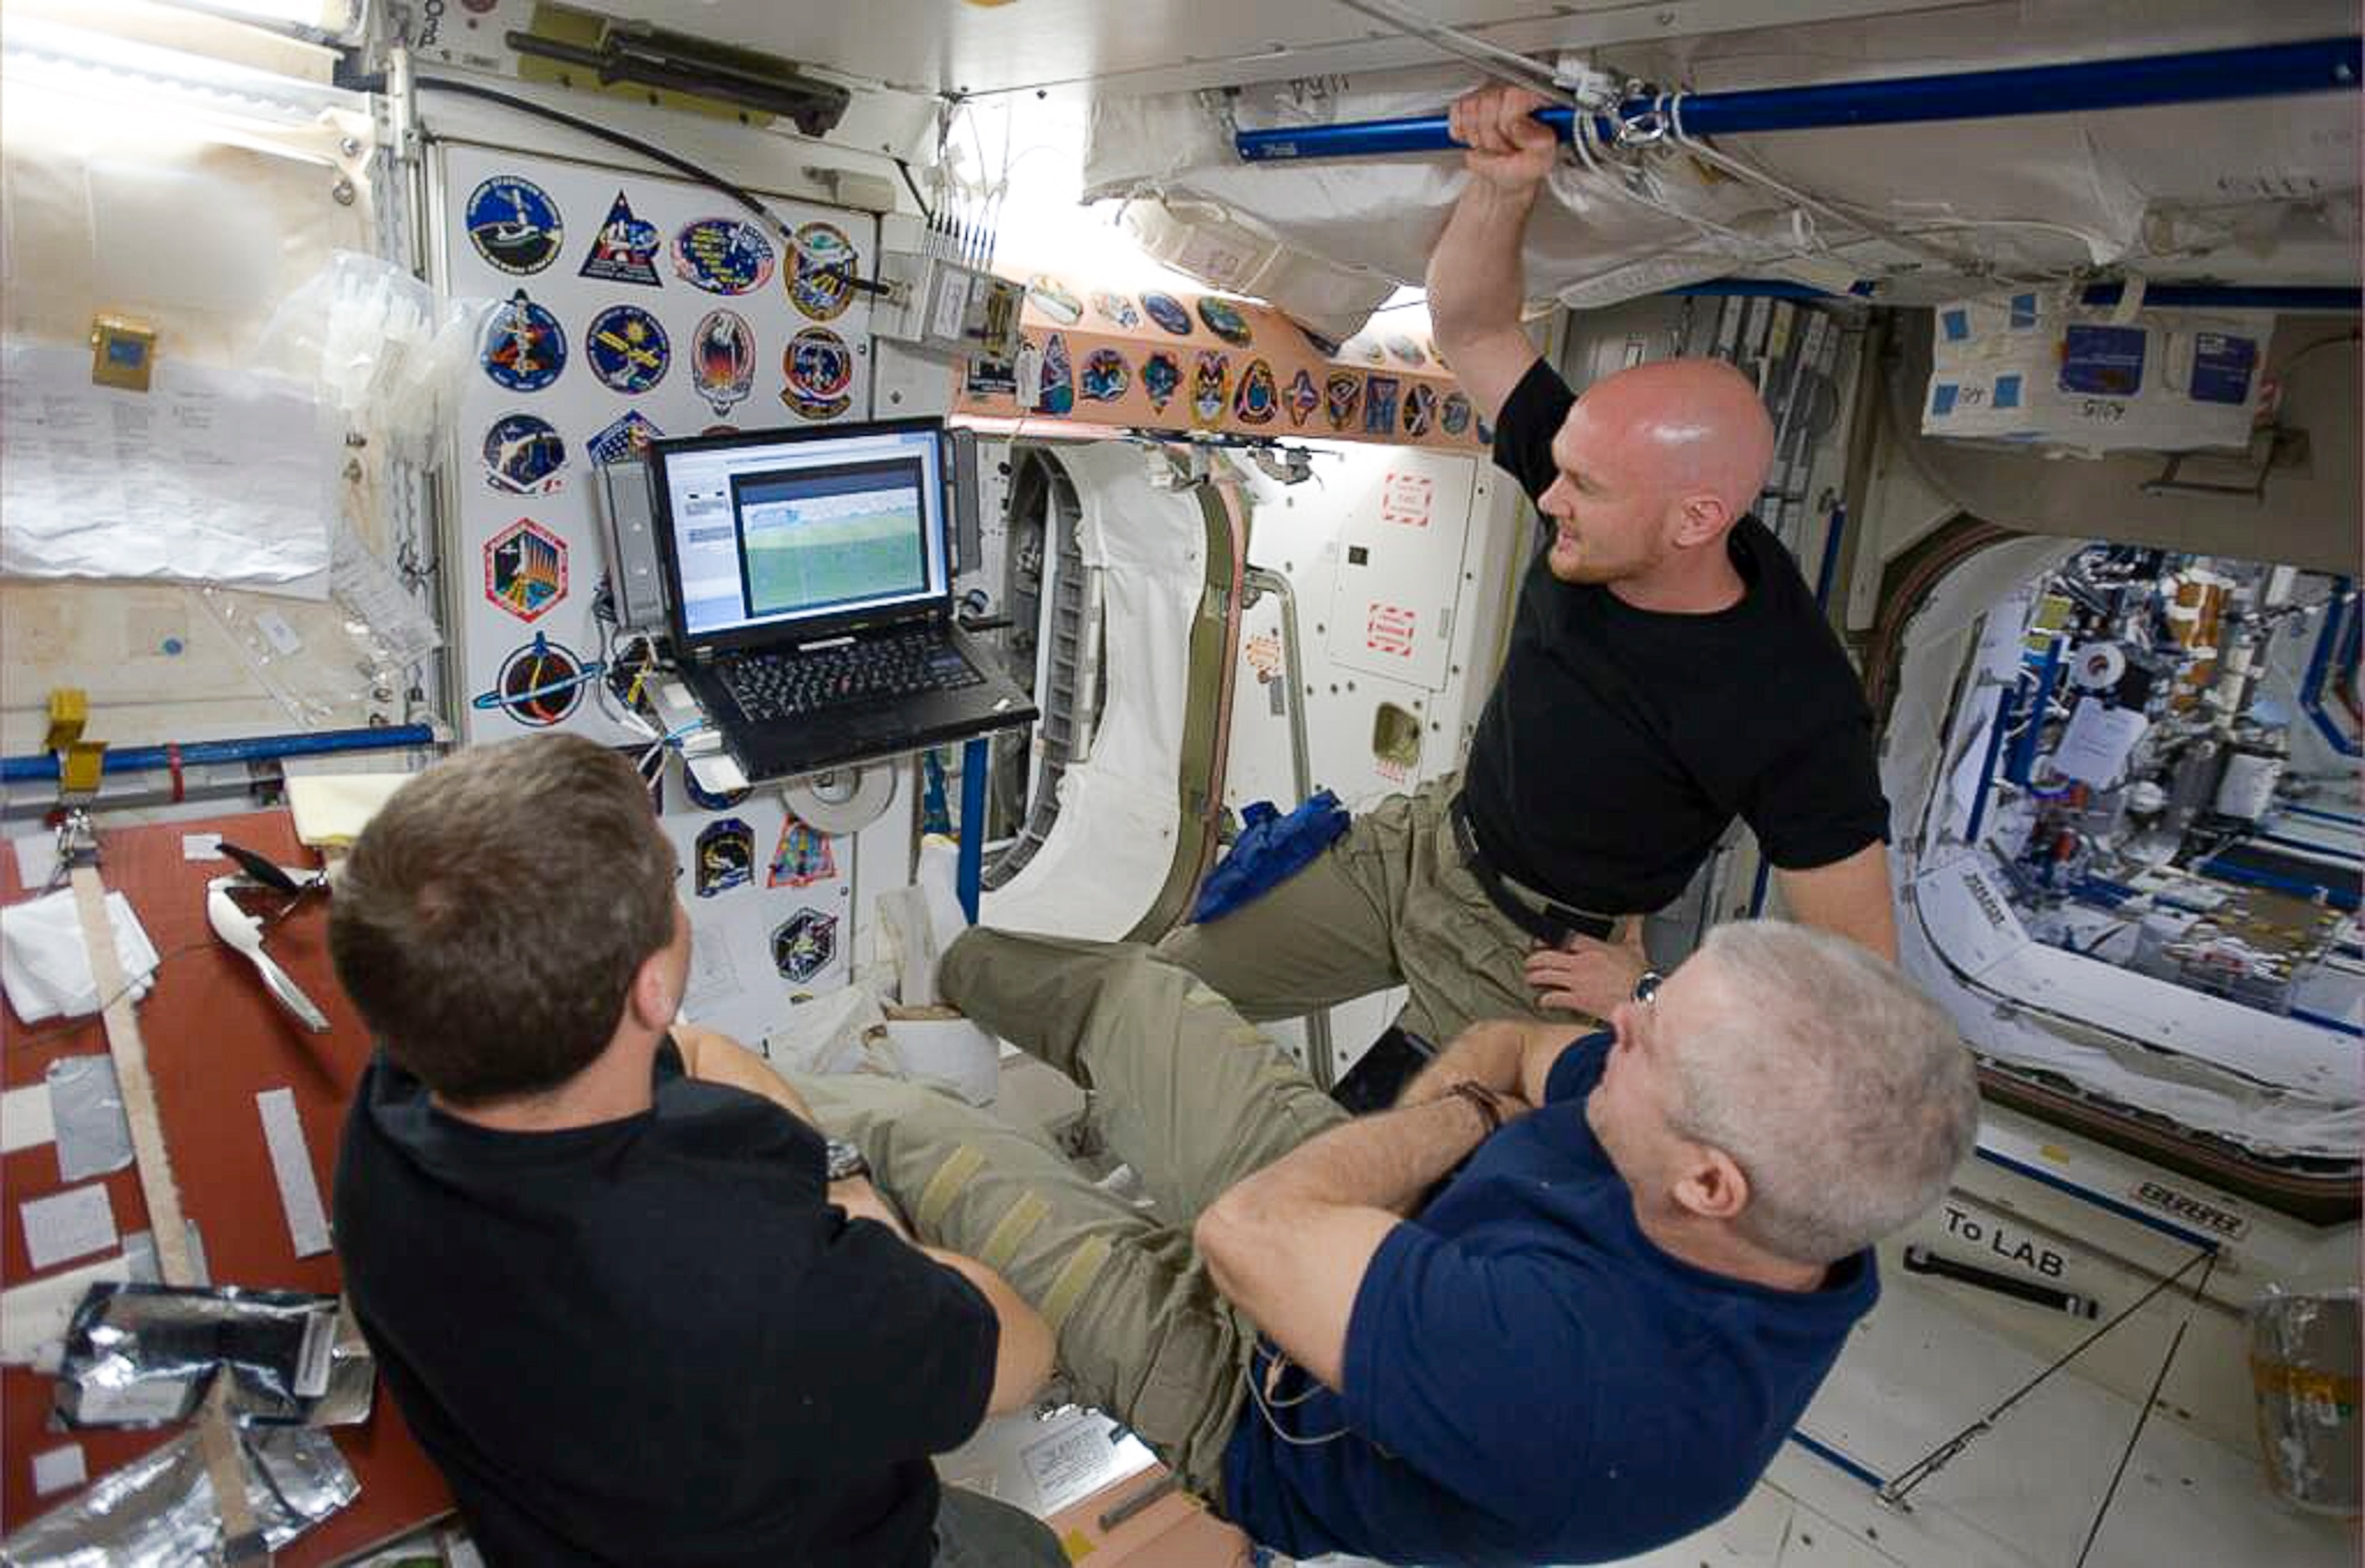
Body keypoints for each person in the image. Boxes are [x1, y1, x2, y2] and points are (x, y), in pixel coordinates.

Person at [806, 918, 1979, 1566]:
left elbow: (1244, 1236)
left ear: (1711, 1183)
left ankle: (726, 1103)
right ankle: (936, 968)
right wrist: (1426, 1149)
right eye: (1658, 993)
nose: (1620, 1012)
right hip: (1370, 1238)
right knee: (1138, 1000)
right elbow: (1514, 1044)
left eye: (1649, 1035)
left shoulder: (1587, 1391)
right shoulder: (1738, 1177)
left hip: (1252, 1397)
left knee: (910, 1131)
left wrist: (1452, 1128)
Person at [1159, 82, 1895, 1042]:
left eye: (1584, 489)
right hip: (1428, 845)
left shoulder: (1794, 705)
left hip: (1539, 963)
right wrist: (1502, 189)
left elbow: (1864, 985)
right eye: (1562, 474)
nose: (1549, 501)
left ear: (1696, 518)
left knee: (1349, 1185)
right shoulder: (1595, 474)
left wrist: (1648, 1000)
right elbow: (1472, 331)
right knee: (1161, 999)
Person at [327, 734, 1065, 1568]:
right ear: (649, 986)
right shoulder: (764, 1291)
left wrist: (818, 1183)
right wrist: (858, 1207)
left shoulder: (395, 1113)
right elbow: (1022, 1357)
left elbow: (702, 1049)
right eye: (672, 889)